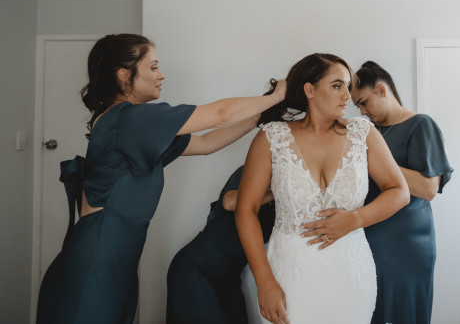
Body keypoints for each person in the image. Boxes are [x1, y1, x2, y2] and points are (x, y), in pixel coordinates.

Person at [36, 33, 286, 324]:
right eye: (153, 67)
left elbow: (207, 144)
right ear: (124, 75)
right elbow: (220, 114)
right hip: (99, 255)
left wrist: (262, 115)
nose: (161, 75)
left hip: (117, 255)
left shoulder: (132, 126)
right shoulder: (129, 118)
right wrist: (275, 96)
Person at [235, 53, 410, 324]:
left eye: (347, 86)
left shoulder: (363, 133)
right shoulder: (271, 137)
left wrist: (355, 219)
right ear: (310, 90)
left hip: (351, 276)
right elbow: (246, 209)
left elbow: (399, 191)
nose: (347, 96)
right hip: (289, 275)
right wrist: (264, 280)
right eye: (337, 85)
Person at [350, 61, 454, 324]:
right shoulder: (368, 133)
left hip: (406, 242)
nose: (362, 111)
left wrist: (377, 162)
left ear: (382, 90)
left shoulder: (420, 125)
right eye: (358, 106)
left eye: (364, 102)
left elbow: (428, 188)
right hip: (369, 238)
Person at [166, 165, 276, 324]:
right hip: (197, 270)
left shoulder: (289, 201)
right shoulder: (258, 167)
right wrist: (279, 191)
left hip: (229, 278)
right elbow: (229, 202)